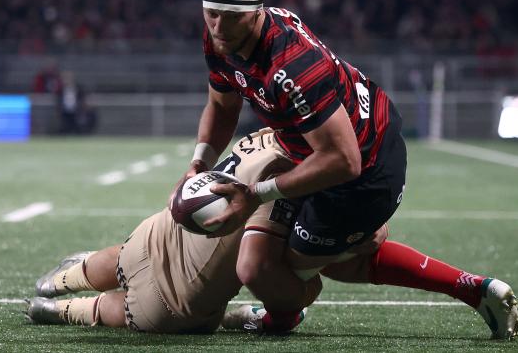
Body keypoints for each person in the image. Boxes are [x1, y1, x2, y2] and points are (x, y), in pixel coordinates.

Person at [177, 0, 518, 339]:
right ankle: (348, 248)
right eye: (212, 13)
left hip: (365, 172)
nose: (219, 26)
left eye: (232, 16)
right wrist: (199, 161)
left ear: (257, 11)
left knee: (303, 268)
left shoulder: (291, 67)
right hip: (318, 151)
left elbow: (344, 161)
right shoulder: (221, 38)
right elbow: (223, 106)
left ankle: (469, 289)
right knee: (258, 266)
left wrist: (255, 195)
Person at [25, 129, 320, 333]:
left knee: (123, 258)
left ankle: (62, 280)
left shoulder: (264, 135)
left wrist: (198, 164)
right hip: (181, 301)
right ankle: (63, 310)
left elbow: (220, 107)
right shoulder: (287, 175)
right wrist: (299, 297)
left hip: (162, 231)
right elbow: (256, 268)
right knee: (130, 308)